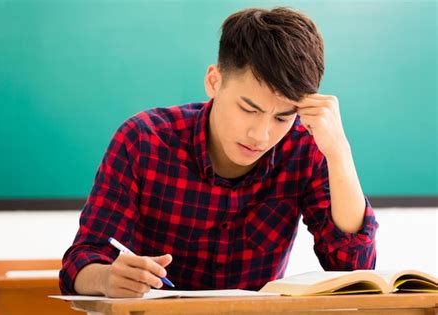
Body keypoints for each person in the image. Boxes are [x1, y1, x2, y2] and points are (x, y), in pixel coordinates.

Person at [59, 6, 378, 298]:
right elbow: (82, 260)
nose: (261, 134)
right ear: (214, 81)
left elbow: (354, 270)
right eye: (248, 108)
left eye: (283, 116)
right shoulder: (143, 140)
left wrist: (339, 152)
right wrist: (106, 277)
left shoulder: (306, 148)